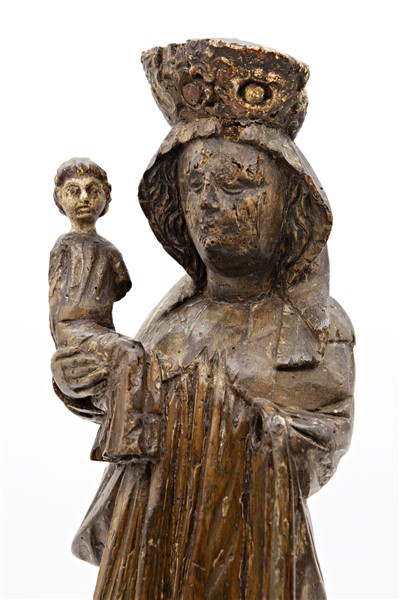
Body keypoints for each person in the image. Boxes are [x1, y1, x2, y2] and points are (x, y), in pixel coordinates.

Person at [51, 40, 355, 599]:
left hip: (248, 560)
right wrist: (91, 369)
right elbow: (115, 402)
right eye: (195, 185)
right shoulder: (175, 319)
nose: (209, 203)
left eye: (237, 184)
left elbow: (325, 435)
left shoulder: (311, 329)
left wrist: (230, 417)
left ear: (290, 205)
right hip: (151, 552)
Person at [50, 158, 160, 461]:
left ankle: (115, 435)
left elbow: (121, 285)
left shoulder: (110, 251)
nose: (84, 198)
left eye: (92, 191)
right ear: (60, 199)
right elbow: (56, 303)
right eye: (74, 191)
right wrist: (63, 344)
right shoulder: (64, 247)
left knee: (136, 360)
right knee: (130, 353)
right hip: (76, 333)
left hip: (99, 331)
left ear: (105, 198)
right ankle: (126, 442)